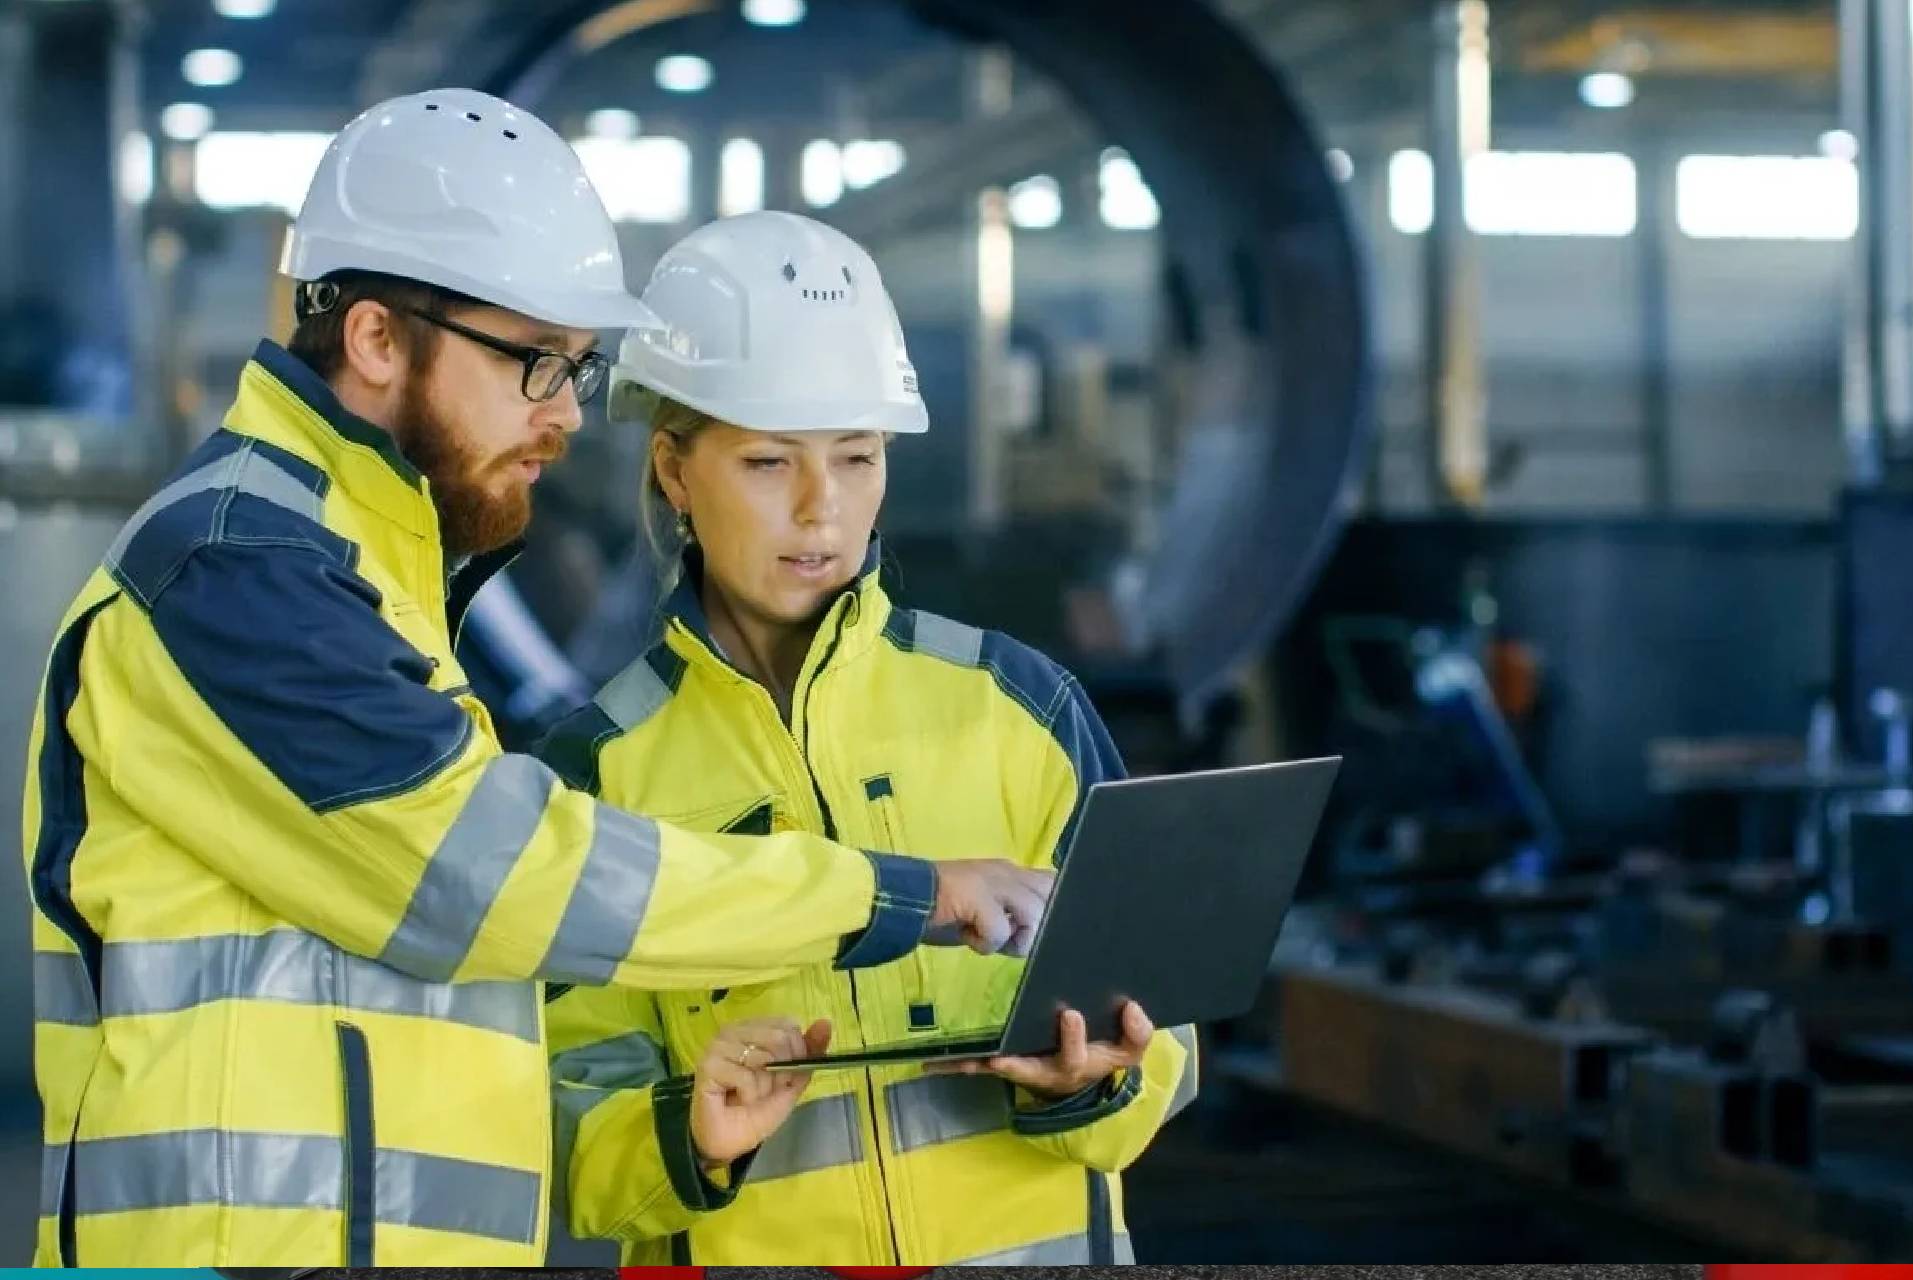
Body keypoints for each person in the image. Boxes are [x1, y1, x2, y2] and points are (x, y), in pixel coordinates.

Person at [21, 91, 1051, 1268]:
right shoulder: (237, 568)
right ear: (374, 339)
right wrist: (890, 893)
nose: (567, 412)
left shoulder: (364, 570)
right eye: (535, 362)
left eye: (576, 365)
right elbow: (494, 875)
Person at [540, 211, 1199, 1266]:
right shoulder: (598, 773)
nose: (822, 509)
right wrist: (691, 1133)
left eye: (856, 455)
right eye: (767, 462)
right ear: (673, 469)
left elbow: (1167, 1022)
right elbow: (568, 1124)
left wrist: (1105, 1075)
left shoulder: (1020, 707)